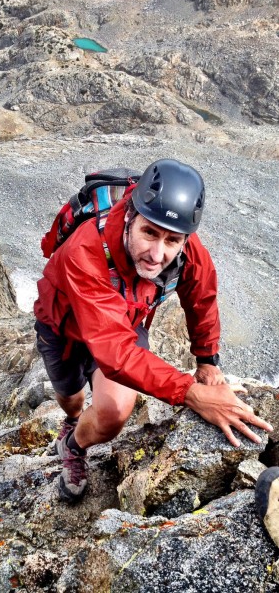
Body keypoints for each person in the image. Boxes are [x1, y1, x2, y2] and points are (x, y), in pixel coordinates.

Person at [33, 158, 273, 502]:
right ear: (130, 216)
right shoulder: (85, 250)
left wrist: (207, 361)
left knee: (114, 412)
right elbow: (115, 354)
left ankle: (72, 447)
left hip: (123, 323)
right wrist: (192, 393)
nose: (157, 254)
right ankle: (71, 420)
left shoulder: (189, 250)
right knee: (70, 398)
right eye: (149, 233)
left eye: (172, 240)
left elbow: (201, 297)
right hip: (62, 328)